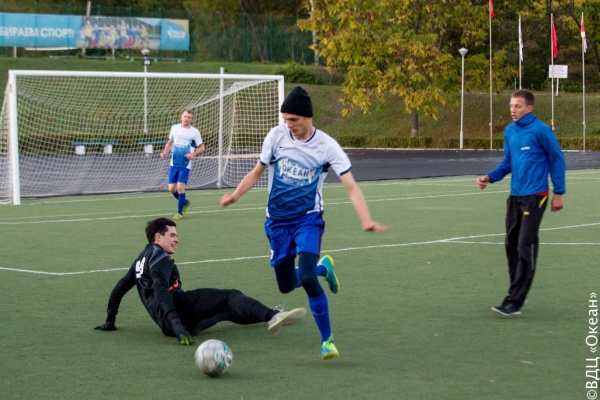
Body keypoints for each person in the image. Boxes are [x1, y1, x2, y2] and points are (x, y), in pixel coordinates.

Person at [220, 86, 387, 360]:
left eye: (294, 120)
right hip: (276, 223)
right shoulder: (276, 136)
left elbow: (351, 187)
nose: (289, 125)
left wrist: (366, 219)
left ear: (307, 117)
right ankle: (324, 268)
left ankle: (327, 341)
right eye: (286, 120)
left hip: (308, 219)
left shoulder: (327, 146)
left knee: (307, 278)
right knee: (286, 285)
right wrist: (235, 195)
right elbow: (257, 171)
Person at [95, 218, 306, 345]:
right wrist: (176, 322)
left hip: (169, 325)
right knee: (230, 296)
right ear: (158, 237)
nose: (177, 239)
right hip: (180, 312)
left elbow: (118, 290)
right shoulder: (159, 256)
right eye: (172, 235)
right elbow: (161, 291)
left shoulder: (140, 261)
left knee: (227, 311)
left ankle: (272, 315)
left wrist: (110, 321)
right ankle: (273, 316)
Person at [476, 89, 566, 316]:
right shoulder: (510, 131)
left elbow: (557, 159)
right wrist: (490, 177)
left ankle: (514, 301)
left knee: (526, 244)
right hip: (515, 196)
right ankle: (516, 293)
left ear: (529, 108)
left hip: (536, 196)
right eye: (511, 106)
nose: (513, 110)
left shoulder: (541, 131)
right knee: (511, 243)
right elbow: (508, 162)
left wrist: (559, 192)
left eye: (518, 106)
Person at [160, 109, 205, 220]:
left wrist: (192, 154)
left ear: (192, 119)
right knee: (171, 189)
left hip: (185, 164)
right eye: (185, 116)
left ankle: (179, 213)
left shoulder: (194, 132)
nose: (186, 119)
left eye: (189, 117)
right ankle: (185, 202)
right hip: (174, 163)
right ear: (181, 117)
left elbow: (202, 148)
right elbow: (170, 142)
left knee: (180, 187)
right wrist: (165, 152)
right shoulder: (174, 128)